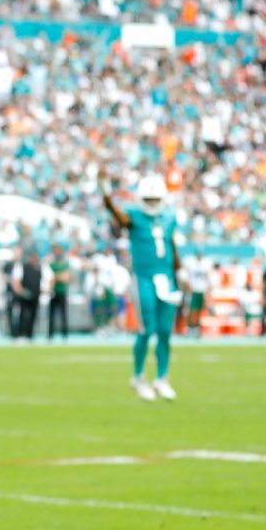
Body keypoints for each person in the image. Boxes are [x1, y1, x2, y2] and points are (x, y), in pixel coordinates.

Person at [100, 172, 181, 401]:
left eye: (156, 200)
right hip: (143, 277)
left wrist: (178, 270)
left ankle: (162, 377)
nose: (153, 204)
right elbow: (118, 215)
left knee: (165, 331)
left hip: (166, 278)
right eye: (149, 200)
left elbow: (170, 243)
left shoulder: (169, 216)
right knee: (147, 329)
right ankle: (138, 376)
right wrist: (106, 194)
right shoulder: (133, 215)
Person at [47, 243, 70, 340]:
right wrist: (58, 277)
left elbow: (66, 278)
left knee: (63, 315)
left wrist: (55, 277)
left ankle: (64, 335)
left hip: (62, 291)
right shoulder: (51, 264)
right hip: (53, 292)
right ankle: (50, 335)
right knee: (51, 315)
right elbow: (48, 277)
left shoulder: (65, 264)